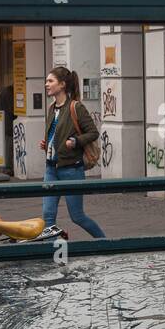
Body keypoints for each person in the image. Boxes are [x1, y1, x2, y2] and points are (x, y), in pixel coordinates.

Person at [38, 66, 106, 239]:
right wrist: (47, 143)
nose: (46, 84)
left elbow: (93, 132)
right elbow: (56, 133)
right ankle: (53, 255)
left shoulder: (76, 107)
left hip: (71, 170)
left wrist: (76, 141)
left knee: (77, 216)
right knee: (48, 217)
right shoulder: (52, 108)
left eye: (50, 81)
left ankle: (105, 242)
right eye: (47, 81)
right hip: (51, 169)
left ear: (62, 85)